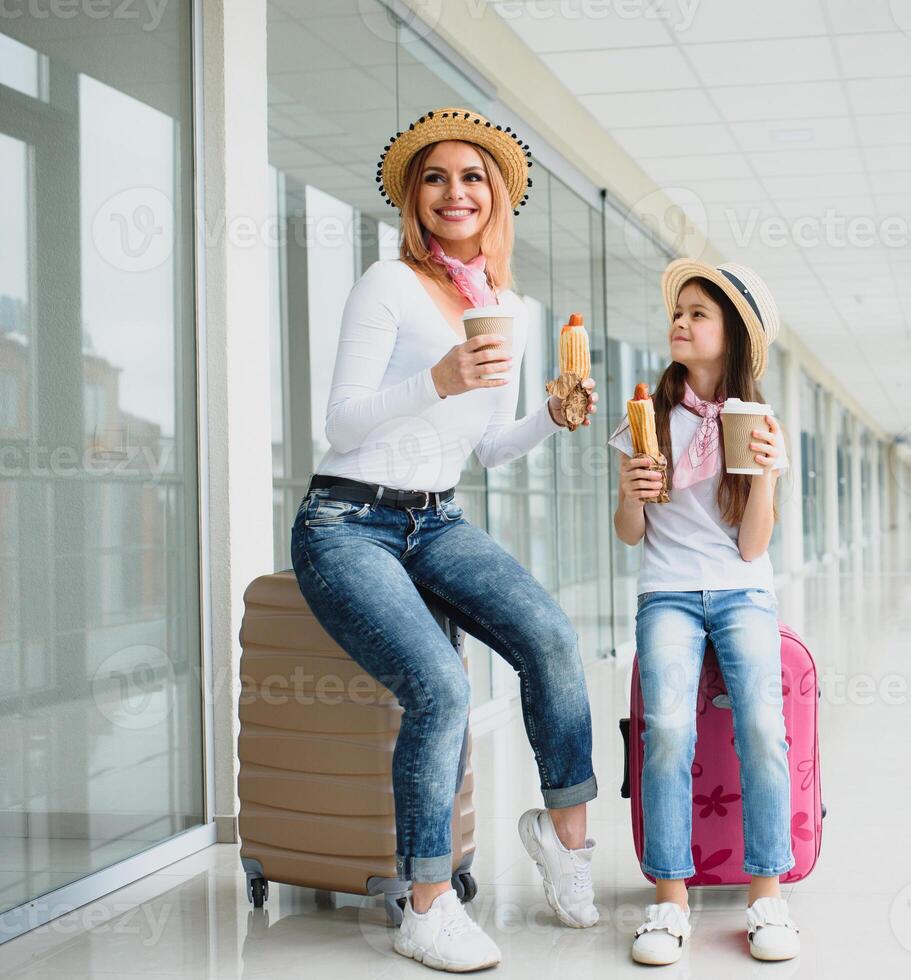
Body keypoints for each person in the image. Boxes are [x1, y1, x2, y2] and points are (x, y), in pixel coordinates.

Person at [290, 107, 599, 972]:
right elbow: (343, 425)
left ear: (495, 197)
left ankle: (567, 842)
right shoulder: (386, 285)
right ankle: (426, 904)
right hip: (346, 521)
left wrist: (552, 415)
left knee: (548, 634)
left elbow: (490, 447)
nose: (454, 192)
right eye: (435, 178)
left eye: (472, 177)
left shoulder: (509, 306)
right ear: (415, 200)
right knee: (439, 684)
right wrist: (437, 378)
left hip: (436, 519)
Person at [610, 259, 802, 964]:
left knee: (761, 723)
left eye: (698, 314)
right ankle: (669, 900)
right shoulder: (646, 417)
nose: (681, 323)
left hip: (743, 587)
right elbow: (631, 532)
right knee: (663, 727)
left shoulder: (757, 423)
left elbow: (753, 545)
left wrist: (766, 478)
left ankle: (766, 895)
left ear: (731, 338)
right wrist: (633, 488)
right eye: (678, 313)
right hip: (666, 591)